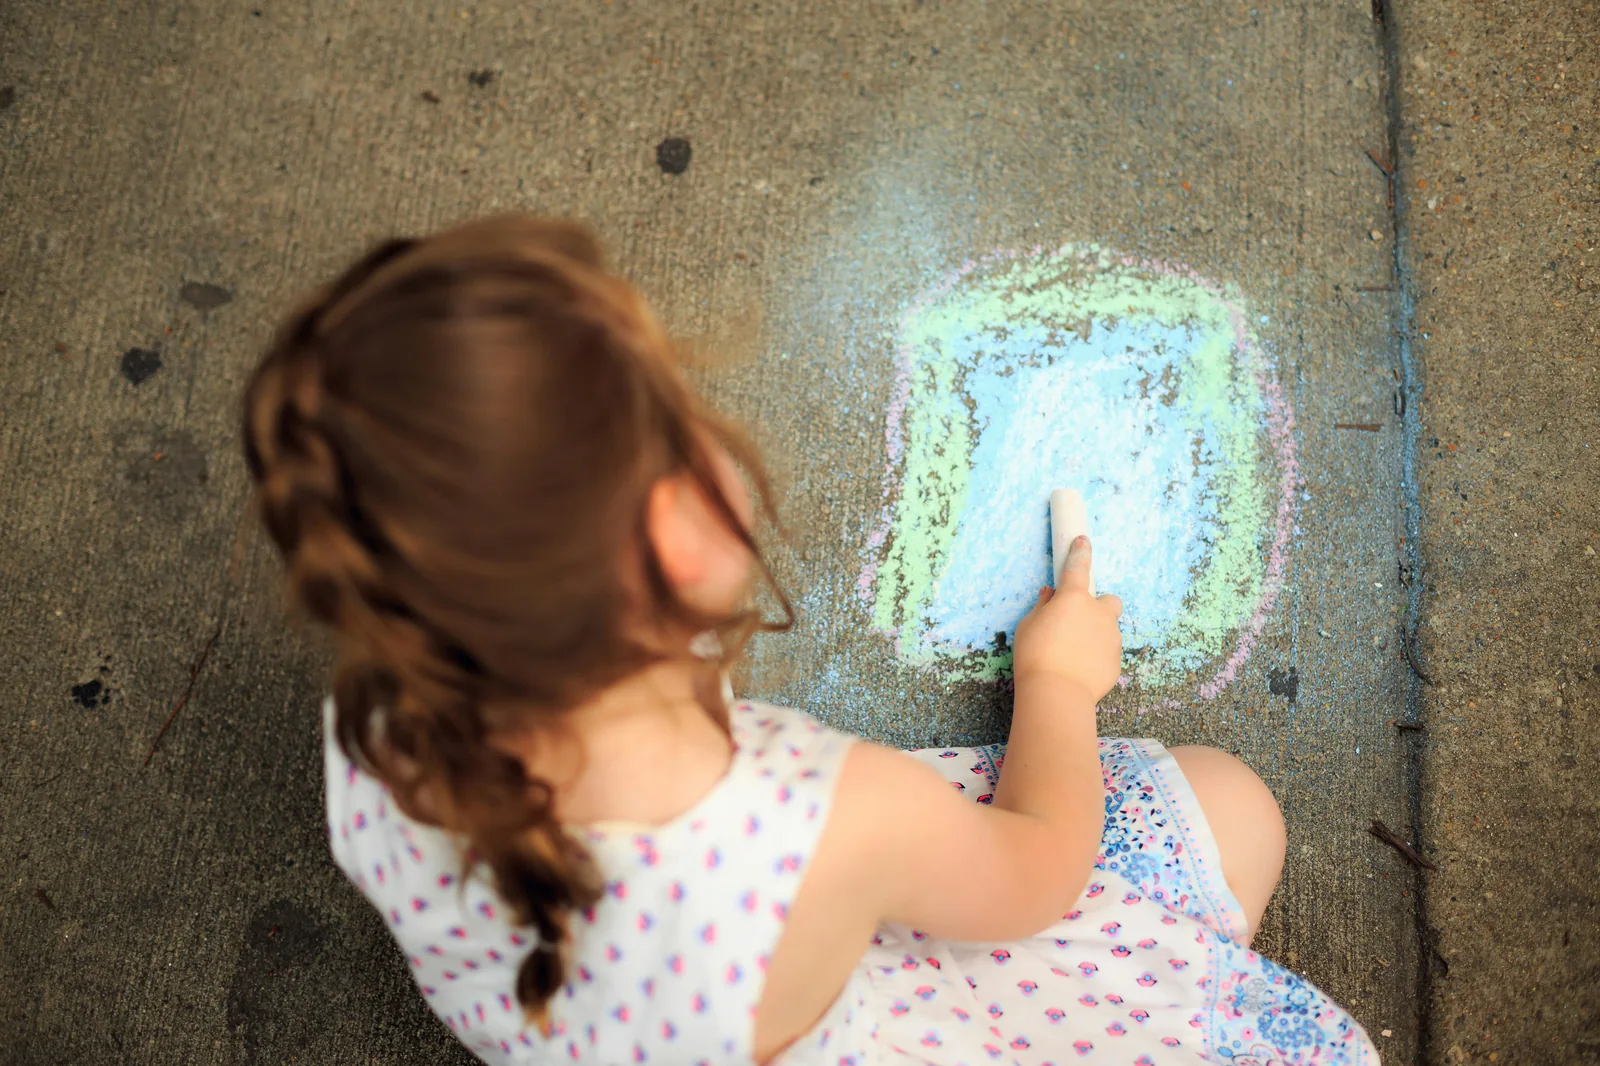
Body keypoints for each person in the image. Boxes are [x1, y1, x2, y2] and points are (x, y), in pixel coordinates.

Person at [241, 216, 1378, 1066]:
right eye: (678, 409)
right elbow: (1035, 876)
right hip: (841, 993)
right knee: (1231, 808)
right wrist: (1059, 683)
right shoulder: (816, 817)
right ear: (680, 536)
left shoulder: (379, 724)